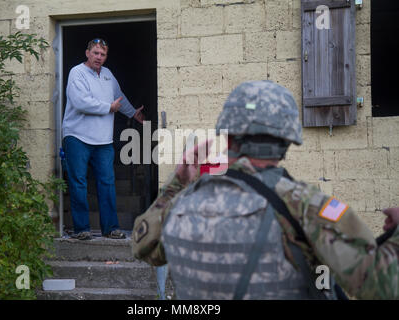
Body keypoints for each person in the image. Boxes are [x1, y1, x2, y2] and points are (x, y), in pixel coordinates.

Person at [132, 80, 399, 299]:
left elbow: (143, 246)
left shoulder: (183, 202)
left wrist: (177, 183)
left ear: (228, 135)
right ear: (287, 139)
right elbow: (383, 286)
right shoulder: (305, 205)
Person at [63, 38, 144, 240]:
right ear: (87, 53)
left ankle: (111, 228)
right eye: (96, 53)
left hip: (103, 140)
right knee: (78, 182)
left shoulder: (107, 74)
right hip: (77, 136)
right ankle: (82, 229)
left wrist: (133, 113)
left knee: (107, 183)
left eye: (103, 54)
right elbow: (81, 102)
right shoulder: (77, 72)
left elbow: (119, 97)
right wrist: (108, 108)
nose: (99, 57)